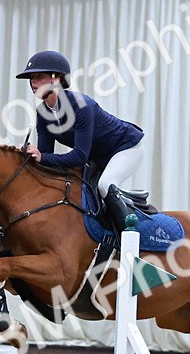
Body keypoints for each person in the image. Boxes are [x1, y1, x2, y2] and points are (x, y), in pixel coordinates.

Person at [16, 50, 148, 231]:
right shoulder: (43, 113)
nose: (33, 82)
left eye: (39, 77)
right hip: (97, 158)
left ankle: (130, 237)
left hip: (125, 147)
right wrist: (25, 156)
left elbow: (79, 158)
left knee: (105, 184)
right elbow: (46, 158)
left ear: (56, 80)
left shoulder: (81, 105)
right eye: (32, 78)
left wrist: (42, 157)